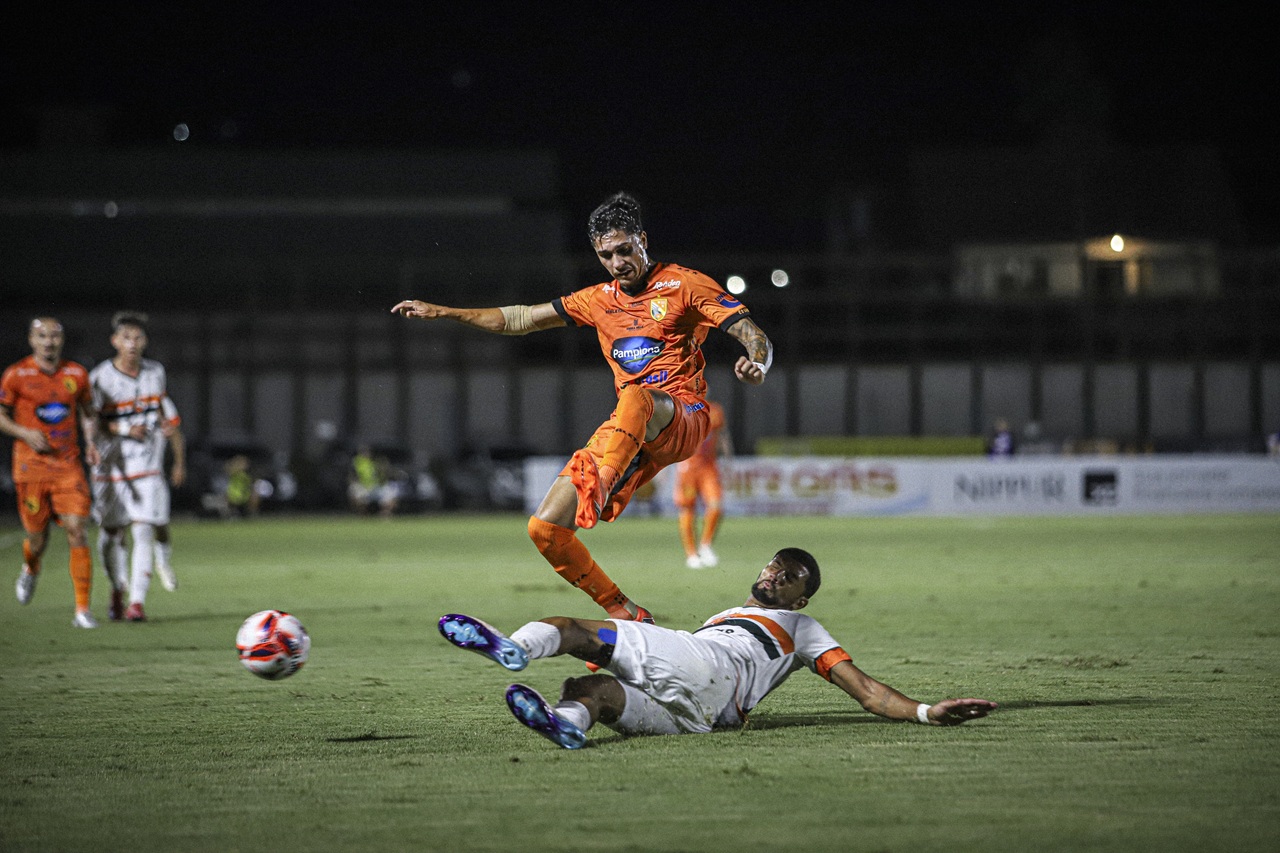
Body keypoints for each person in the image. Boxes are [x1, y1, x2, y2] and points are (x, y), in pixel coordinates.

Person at [393, 192, 773, 624]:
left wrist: (757, 361)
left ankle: (604, 485)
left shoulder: (684, 284)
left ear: (643, 241)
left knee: (637, 395)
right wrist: (444, 311)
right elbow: (517, 319)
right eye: (606, 255)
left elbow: (751, 331)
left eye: (625, 250)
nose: (617, 262)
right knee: (546, 529)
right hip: (628, 429)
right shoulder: (597, 299)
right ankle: (625, 611)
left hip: (682, 416)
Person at [438, 547, 998, 749]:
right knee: (591, 690)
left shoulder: (801, 630)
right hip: (703, 717)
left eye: (792, 576)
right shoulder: (729, 616)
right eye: (776, 565)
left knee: (569, 626)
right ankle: (566, 725)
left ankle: (512, 649)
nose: (777, 576)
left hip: (709, 667)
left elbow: (866, 691)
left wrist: (926, 712)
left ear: (801, 600)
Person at [0, 316, 102, 628]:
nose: (49, 342)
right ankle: (31, 568)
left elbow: (88, 413)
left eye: (54, 336)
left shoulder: (76, 374)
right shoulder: (16, 375)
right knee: (38, 539)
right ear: (32, 340)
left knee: (77, 529)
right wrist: (23, 432)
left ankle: (82, 610)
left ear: (62, 340)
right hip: (30, 469)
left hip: (67, 466)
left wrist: (92, 443)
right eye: (42, 336)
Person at [89, 311, 186, 623]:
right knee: (111, 534)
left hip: (145, 466)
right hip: (110, 467)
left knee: (143, 528)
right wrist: (122, 431)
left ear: (145, 341)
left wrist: (175, 453)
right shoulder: (100, 378)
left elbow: (163, 414)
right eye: (126, 338)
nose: (132, 343)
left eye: (138, 337)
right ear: (115, 341)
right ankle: (117, 587)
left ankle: (137, 603)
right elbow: (92, 422)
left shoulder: (155, 373)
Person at [673, 398, 731, 569]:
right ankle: (691, 554)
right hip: (688, 467)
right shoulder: (681, 410)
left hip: (708, 467)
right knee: (688, 508)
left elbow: (723, 436)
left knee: (716, 505)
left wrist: (728, 460)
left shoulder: (715, 410)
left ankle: (705, 545)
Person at [348, 444, 399, 517]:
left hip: (375, 486)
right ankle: (362, 514)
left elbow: (384, 474)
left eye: (367, 452)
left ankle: (385, 513)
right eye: (363, 452)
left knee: (391, 493)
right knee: (354, 491)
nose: (366, 453)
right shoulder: (356, 462)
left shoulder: (375, 461)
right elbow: (352, 477)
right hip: (363, 486)